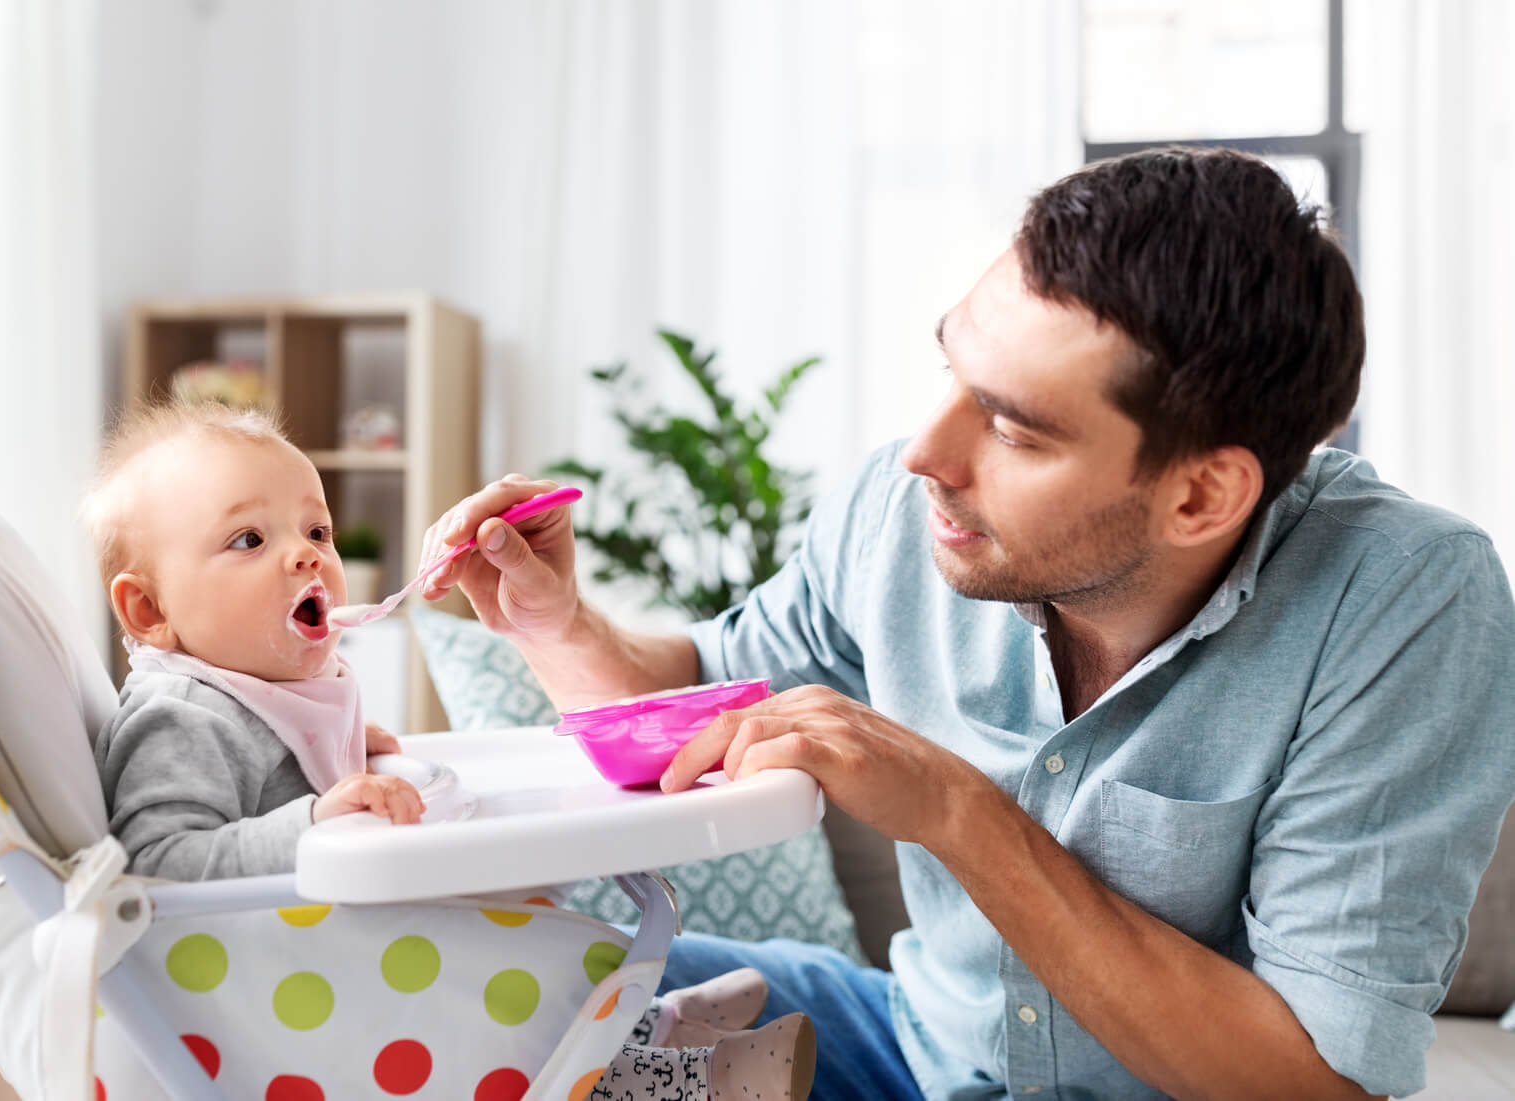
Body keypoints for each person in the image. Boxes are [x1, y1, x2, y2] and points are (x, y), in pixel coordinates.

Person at [421, 147, 1515, 1100]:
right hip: (912, 1053)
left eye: (1015, 430)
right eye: (952, 370)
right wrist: (553, 624)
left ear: (1201, 498)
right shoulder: (906, 516)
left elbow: (1313, 1082)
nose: (924, 457)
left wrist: (958, 811)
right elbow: (687, 708)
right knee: (485, 982)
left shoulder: (1406, 598)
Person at [83, 400, 818, 1101]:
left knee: (496, 928)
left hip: (329, 974)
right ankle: (671, 1077)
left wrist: (349, 765)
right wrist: (312, 818)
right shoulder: (184, 715)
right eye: (250, 540)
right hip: (269, 1005)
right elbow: (158, 867)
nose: (305, 558)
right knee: (480, 961)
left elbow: (266, 790)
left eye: (316, 532)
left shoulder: (260, 693)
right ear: (149, 610)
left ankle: (645, 1026)